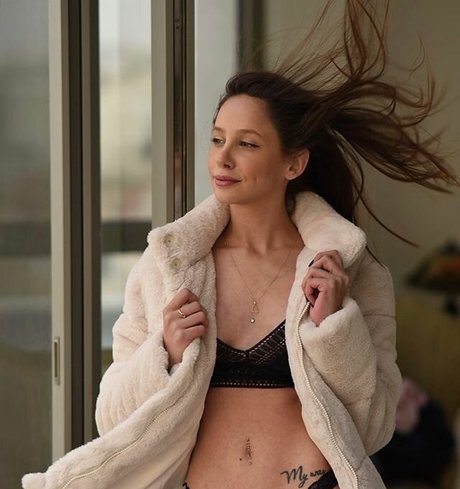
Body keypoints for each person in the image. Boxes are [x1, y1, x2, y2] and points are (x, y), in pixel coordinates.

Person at [22, 1, 458, 488]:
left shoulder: (350, 273)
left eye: (246, 143)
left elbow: (374, 426)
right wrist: (164, 352)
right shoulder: (168, 266)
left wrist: (333, 326)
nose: (222, 158)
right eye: (217, 139)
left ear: (293, 164)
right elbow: (112, 417)